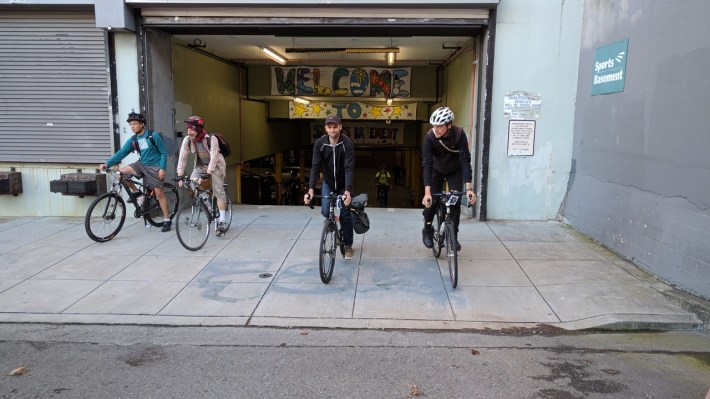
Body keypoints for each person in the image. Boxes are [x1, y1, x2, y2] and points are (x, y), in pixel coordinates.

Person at [99, 111, 172, 232]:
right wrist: (107, 163)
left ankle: (167, 219)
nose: (132, 126)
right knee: (120, 173)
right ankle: (137, 193)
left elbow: (163, 153)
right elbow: (122, 153)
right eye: (130, 124)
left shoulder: (153, 136)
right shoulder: (133, 140)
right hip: (141, 164)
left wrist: (162, 168)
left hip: (155, 167)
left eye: (135, 123)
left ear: (142, 124)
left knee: (159, 193)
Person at [421, 106, 477, 250]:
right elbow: (426, 164)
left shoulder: (459, 135)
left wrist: (469, 189)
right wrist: (427, 193)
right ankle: (427, 229)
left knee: (455, 201)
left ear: (449, 125)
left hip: (454, 171)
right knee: (431, 202)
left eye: (440, 126)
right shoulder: (430, 137)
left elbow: (465, 161)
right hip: (436, 170)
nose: (436, 129)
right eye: (434, 125)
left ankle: (453, 236)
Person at [304, 115, 356, 260]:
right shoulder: (320, 144)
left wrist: (348, 191)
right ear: (326, 129)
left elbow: (349, 169)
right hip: (327, 182)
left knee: (345, 214)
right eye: (330, 127)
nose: (332, 129)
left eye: (335, 126)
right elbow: (315, 167)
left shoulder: (347, 143)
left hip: (343, 183)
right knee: (326, 210)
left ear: (340, 127)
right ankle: (331, 223)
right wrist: (311, 190)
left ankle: (348, 245)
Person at [176, 116, 229, 231]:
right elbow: (182, 157)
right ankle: (208, 206)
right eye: (187, 129)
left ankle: (222, 220)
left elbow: (214, 157)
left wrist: (209, 173)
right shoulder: (188, 140)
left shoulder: (211, 139)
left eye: (192, 129)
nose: (189, 131)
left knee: (218, 191)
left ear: (198, 129)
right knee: (192, 182)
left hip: (216, 167)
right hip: (201, 166)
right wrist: (180, 174)